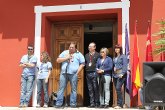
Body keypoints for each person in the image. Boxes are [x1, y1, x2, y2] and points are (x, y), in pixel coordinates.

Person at [55, 42, 85, 108]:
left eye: (72, 47)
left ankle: (73, 104)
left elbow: (82, 64)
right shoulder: (65, 52)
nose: (70, 48)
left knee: (73, 89)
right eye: (70, 47)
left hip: (73, 74)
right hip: (64, 73)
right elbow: (58, 60)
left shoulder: (79, 54)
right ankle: (58, 103)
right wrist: (66, 58)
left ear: (75, 48)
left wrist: (77, 72)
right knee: (61, 89)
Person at [85, 42, 100, 108]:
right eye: (89, 46)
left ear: (94, 47)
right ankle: (92, 103)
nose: (89, 48)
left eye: (91, 46)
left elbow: (99, 64)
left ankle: (97, 103)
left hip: (95, 73)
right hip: (88, 73)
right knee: (90, 89)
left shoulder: (98, 55)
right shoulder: (86, 55)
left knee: (95, 88)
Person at [113, 44, 127, 109]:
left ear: (120, 49)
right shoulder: (115, 57)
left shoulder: (123, 56)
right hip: (115, 75)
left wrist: (123, 73)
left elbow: (125, 65)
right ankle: (119, 104)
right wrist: (112, 75)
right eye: (115, 48)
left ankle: (120, 104)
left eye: (118, 48)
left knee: (118, 88)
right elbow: (114, 67)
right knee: (117, 89)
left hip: (121, 74)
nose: (116, 49)